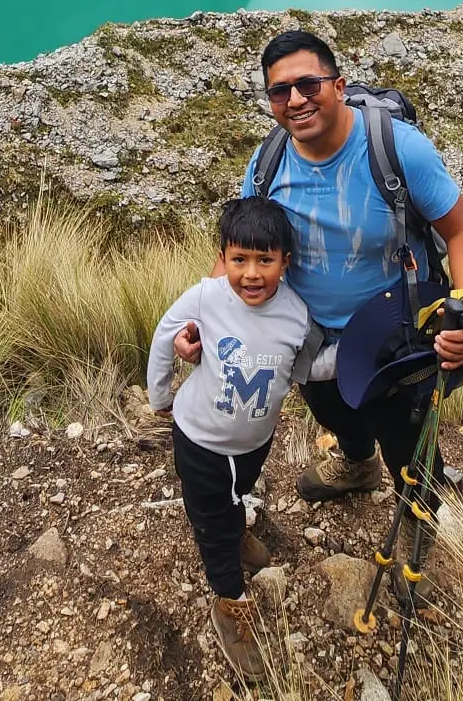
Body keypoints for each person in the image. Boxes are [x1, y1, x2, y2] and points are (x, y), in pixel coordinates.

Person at [183, 28, 463, 502]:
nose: (296, 100)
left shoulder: (398, 149)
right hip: (309, 333)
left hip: (395, 333)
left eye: (310, 84)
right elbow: (242, 251)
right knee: (333, 411)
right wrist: (203, 319)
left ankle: (416, 534)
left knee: (408, 444)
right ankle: (356, 462)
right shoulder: (268, 164)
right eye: (280, 91)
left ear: (339, 86)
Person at [147, 193, 314, 680]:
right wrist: (160, 395)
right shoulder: (206, 296)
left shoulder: (297, 314)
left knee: (238, 493)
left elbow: (301, 368)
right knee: (211, 521)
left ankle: (236, 526)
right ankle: (229, 601)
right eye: (239, 259)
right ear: (223, 256)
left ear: (286, 260)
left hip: (254, 441)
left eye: (265, 260)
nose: (252, 274)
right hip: (198, 438)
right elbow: (164, 334)